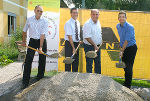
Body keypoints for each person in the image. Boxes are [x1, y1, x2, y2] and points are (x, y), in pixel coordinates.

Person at [21, 5, 48, 89]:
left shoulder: (45, 21)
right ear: (34, 11)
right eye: (38, 11)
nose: (40, 12)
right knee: (28, 61)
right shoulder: (29, 19)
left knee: (42, 60)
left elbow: (42, 35)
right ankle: (25, 81)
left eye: (41, 11)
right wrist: (24, 41)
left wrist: (40, 47)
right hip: (32, 41)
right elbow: (24, 31)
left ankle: (40, 78)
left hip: (42, 41)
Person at [116, 11, 137, 89]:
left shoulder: (130, 27)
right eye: (120, 17)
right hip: (124, 47)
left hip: (131, 48)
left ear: (126, 18)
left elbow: (127, 40)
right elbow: (122, 38)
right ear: (118, 18)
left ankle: (128, 86)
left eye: (123, 16)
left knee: (128, 66)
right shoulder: (118, 26)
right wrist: (120, 46)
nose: (121, 18)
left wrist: (122, 51)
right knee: (125, 66)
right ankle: (126, 82)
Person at [82, 9, 102, 74]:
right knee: (89, 63)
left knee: (98, 63)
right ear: (90, 15)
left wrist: (99, 41)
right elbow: (87, 37)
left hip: (97, 46)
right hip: (89, 46)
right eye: (93, 14)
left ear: (99, 15)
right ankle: (89, 80)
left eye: (97, 14)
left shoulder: (98, 22)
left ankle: (97, 78)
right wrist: (95, 45)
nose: (95, 16)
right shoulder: (87, 24)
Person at [64, 8, 81, 72]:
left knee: (76, 63)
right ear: (71, 14)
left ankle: (73, 78)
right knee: (68, 62)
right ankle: (67, 79)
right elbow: (70, 37)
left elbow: (76, 34)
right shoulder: (68, 23)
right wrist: (73, 48)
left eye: (76, 12)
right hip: (69, 44)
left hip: (76, 44)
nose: (75, 14)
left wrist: (79, 40)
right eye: (74, 12)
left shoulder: (78, 22)